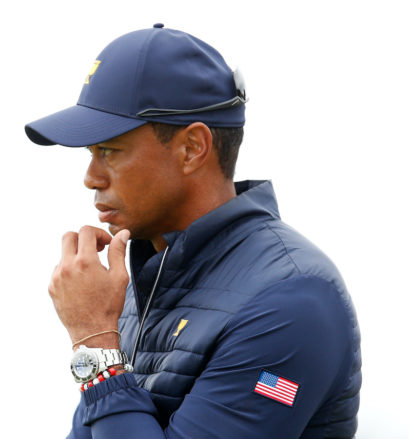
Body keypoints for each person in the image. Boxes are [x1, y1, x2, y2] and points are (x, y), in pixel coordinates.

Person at [24, 24, 361, 439]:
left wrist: (94, 341)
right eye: (92, 154)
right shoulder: (142, 284)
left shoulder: (293, 298)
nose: (91, 178)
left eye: (109, 151)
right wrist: (99, 341)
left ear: (191, 149)